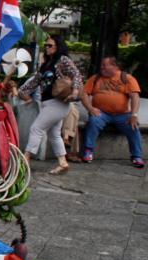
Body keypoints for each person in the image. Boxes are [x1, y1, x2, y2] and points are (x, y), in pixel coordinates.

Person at [13, 34, 82, 174]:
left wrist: (75, 91)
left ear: (58, 47)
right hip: (48, 103)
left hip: (57, 103)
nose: (47, 47)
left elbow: (76, 74)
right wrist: (20, 92)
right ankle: (62, 163)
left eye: (50, 45)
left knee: (36, 128)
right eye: (46, 45)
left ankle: (25, 159)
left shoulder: (63, 60)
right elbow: (35, 81)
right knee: (54, 134)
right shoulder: (47, 63)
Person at [80, 56, 144, 168]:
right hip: (102, 113)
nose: (102, 67)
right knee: (93, 122)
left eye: (105, 65)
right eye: (101, 65)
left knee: (133, 126)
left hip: (122, 114)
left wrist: (134, 114)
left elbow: (135, 96)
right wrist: (90, 108)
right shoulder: (95, 78)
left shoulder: (126, 78)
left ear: (114, 66)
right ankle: (88, 151)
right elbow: (84, 94)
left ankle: (137, 156)